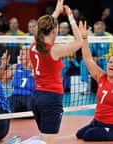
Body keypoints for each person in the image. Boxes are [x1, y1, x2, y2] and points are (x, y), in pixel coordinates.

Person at [29, 0, 83, 143]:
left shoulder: (33, 45)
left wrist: (57, 12)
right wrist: (71, 17)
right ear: (55, 30)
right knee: (48, 141)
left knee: (44, 138)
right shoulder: (54, 49)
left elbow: (44, 28)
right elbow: (79, 42)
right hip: (51, 99)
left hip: (36, 97)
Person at [80, 21, 113, 93]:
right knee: (84, 62)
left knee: (107, 62)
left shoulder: (110, 37)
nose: (96, 31)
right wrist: (92, 58)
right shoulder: (92, 38)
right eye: (95, 29)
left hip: (107, 59)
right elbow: (88, 52)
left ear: (103, 28)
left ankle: (108, 85)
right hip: (96, 60)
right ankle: (85, 86)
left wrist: (101, 57)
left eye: (99, 29)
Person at [0, 48, 35, 113]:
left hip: (30, 99)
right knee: (5, 102)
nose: (20, 57)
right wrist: (3, 65)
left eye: (23, 54)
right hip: (15, 98)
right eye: (20, 55)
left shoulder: (36, 70)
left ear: (30, 55)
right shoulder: (15, 67)